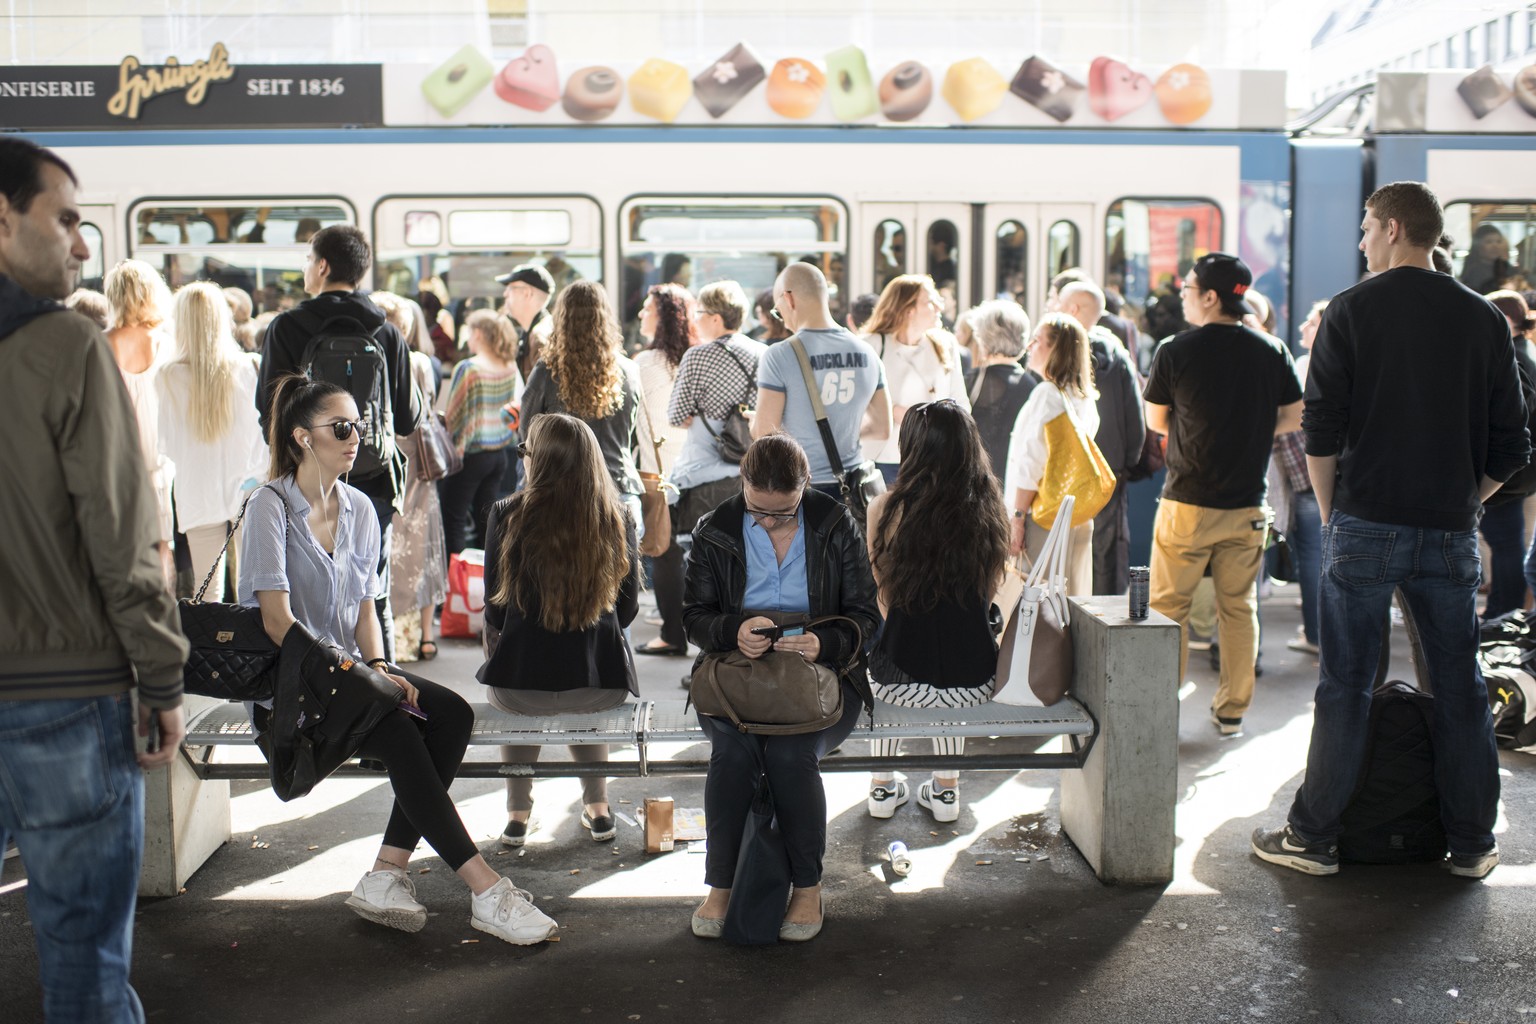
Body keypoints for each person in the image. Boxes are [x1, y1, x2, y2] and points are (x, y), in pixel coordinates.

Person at [1253, 182, 1530, 880]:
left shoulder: (1351, 310)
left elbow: (1322, 430)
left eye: (1367, 228)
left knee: (1345, 683)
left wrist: (1332, 506)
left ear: (1396, 228)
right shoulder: (1483, 320)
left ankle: (1313, 839)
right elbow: (1512, 447)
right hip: (1448, 532)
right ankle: (1472, 843)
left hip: (1366, 524)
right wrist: (1465, 502)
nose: (1361, 241)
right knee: (1459, 685)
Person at [243, 374, 557, 943]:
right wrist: (360, 678)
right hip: (291, 684)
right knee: (393, 721)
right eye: (340, 428)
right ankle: (486, 889)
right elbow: (275, 621)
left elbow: (367, 607)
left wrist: (380, 668)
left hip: (347, 673)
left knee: (451, 714)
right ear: (300, 438)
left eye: (358, 426)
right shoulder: (269, 506)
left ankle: (387, 872)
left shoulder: (361, 507)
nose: (355, 436)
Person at [0, 136, 188, 1024]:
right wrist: (161, 675)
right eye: (66, 219)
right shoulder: (65, 348)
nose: (83, 246)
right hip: (63, 694)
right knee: (82, 962)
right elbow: (124, 539)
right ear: (3, 219)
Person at [683, 434, 879, 942]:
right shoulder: (714, 528)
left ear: (805, 487)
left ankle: (809, 888)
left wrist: (822, 643)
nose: (768, 523)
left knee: (792, 756)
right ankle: (721, 884)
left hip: (825, 676)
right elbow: (693, 618)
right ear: (742, 484)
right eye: (757, 512)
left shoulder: (835, 523)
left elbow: (866, 619)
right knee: (733, 753)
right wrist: (731, 632)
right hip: (736, 675)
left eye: (784, 514)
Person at [1142, 253, 1302, 737]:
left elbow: (1157, 421)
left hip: (1187, 503)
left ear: (1210, 296)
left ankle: (1158, 711)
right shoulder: (1272, 350)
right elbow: (1295, 417)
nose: (1185, 297)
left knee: (1169, 610)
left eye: (1189, 289)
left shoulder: (1175, 350)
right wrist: (1251, 430)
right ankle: (1231, 711)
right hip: (1248, 507)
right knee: (1239, 608)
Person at [256, 224, 422, 661]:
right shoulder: (387, 333)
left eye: (309, 260)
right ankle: (379, 679)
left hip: (303, 484)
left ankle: (311, 686)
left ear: (323, 266)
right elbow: (408, 417)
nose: (307, 269)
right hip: (373, 483)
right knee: (371, 594)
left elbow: (268, 411)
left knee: (296, 593)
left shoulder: (287, 328)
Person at [481, 413, 640, 845]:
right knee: (583, 682)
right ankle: (599, 810)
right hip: (598, 686)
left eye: (525, 451)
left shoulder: (506, 513)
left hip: (518, 688)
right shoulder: (618, 517)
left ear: (540, 461)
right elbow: (625, 614)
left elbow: (495, 611)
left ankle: (517, 816)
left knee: (512, 673)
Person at [865, 401, 1009, 823]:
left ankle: (882, 784)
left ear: (912, 448)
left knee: (885, 667)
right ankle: (946, 790)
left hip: (901, 679)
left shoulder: (885, 508)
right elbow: (991, 588)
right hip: (974, 679)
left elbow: (884, 595)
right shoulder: (988, 509)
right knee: (951, 679)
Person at [155, 282, 268, 601]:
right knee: (254, 590)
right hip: (247, 490)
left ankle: (213, 651)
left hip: (197, 491)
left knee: (207, 591)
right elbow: (260, 442)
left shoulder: (167, 377)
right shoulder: (247, 368)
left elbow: (166, 445)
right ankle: (253, 651)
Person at [752, 263, 892, 501]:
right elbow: (882, 428)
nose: (783, 320)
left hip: (801, 487)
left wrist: (753, 423)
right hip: (853, 489)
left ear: (789, 299)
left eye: (778, 311)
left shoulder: (780, 355)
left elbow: (765, 433)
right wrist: (842, 430)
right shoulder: (867, 352)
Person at [520, 279, 644, 528]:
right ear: (605, 318)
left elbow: (527, 432)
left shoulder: (548, 370)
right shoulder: (628, 370)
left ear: (562, 319)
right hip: (620, 490)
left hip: (559, 491)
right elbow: (631, 434)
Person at [372, 293, 449, 661]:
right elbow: (424, 410)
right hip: (418, 463)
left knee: (390, 549)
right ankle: (425, 635)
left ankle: (391, 636)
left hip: (386, 458)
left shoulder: (371, 358)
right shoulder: (418, 361)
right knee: (422, 549)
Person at [1058, 280, 1147, 595]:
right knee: (1106, 555)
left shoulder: (1054, 352)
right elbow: (1136, 421)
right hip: (1108, 472)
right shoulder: (1119, 356)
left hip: (1062, 477)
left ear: (1073, 309)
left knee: (1063, 555)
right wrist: (1124, 466)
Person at [1006, 313, 1101, 595]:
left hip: (1043, 517)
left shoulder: (1047, 395)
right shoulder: (1083, 397)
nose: (1030, 347)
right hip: (1075, 514)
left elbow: (1031, 464)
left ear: (1055, 349)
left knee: (1037, 606)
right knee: (1072, 601)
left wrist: (1018, 517)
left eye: (1038, 340)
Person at [667, 280, 767, 540]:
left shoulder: (697, 357)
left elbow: (676, 415)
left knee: (703, 557)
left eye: (698, 313)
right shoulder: (764, 354)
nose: (695, 320)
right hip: (753, 471)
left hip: (704, 474)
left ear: (715, 318)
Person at [633, 283, 698, 657]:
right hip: (693, 470)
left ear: (665, 317)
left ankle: (672, 635)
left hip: (658, 473)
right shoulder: (694, 356)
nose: (642, 314)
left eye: (648, 309)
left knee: (664, 553)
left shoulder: (645, 364)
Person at [105, 258, 177, 587]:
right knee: (162, 548)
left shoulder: (101, 343)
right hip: (160, 461)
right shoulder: (164, 344)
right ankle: (162, 618)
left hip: (117, 460)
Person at [859, 274, 970, 485]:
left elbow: (960, 401)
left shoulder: (945, 344)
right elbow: (857, 401)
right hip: (883, 459)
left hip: (934, 457)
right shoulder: (871, 345)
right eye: (930, 302)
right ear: (908, 309)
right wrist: (895, 412)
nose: (939, 307)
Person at [441, 309, 521, 554]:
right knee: (488, 522)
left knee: (453, 517)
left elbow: (454, 414)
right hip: (499, 455)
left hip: (471, 455)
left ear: (477, 333)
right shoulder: (508, 365)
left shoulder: (469, 368)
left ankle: (456, 584)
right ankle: (489, 579)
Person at [1273, 300, 1328, 657]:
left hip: (1307, 476)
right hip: (1328, 475)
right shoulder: (1347, 364)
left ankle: (1316, 634)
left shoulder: (1308, 366)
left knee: (1311, 556)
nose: (1303, 328)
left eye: (1311, 322)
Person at [963, 299, 1038, 480]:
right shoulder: (1032, 385)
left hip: (975, 480)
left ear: (984, 340)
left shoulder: (972, 381)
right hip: (1016, 480)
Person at [1459, 222, 1513, 295]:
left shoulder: (1507, 267)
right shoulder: (1473, 271)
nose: (1495, 246)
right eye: (1489, 242)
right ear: (1478, 246)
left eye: (1498, 241)